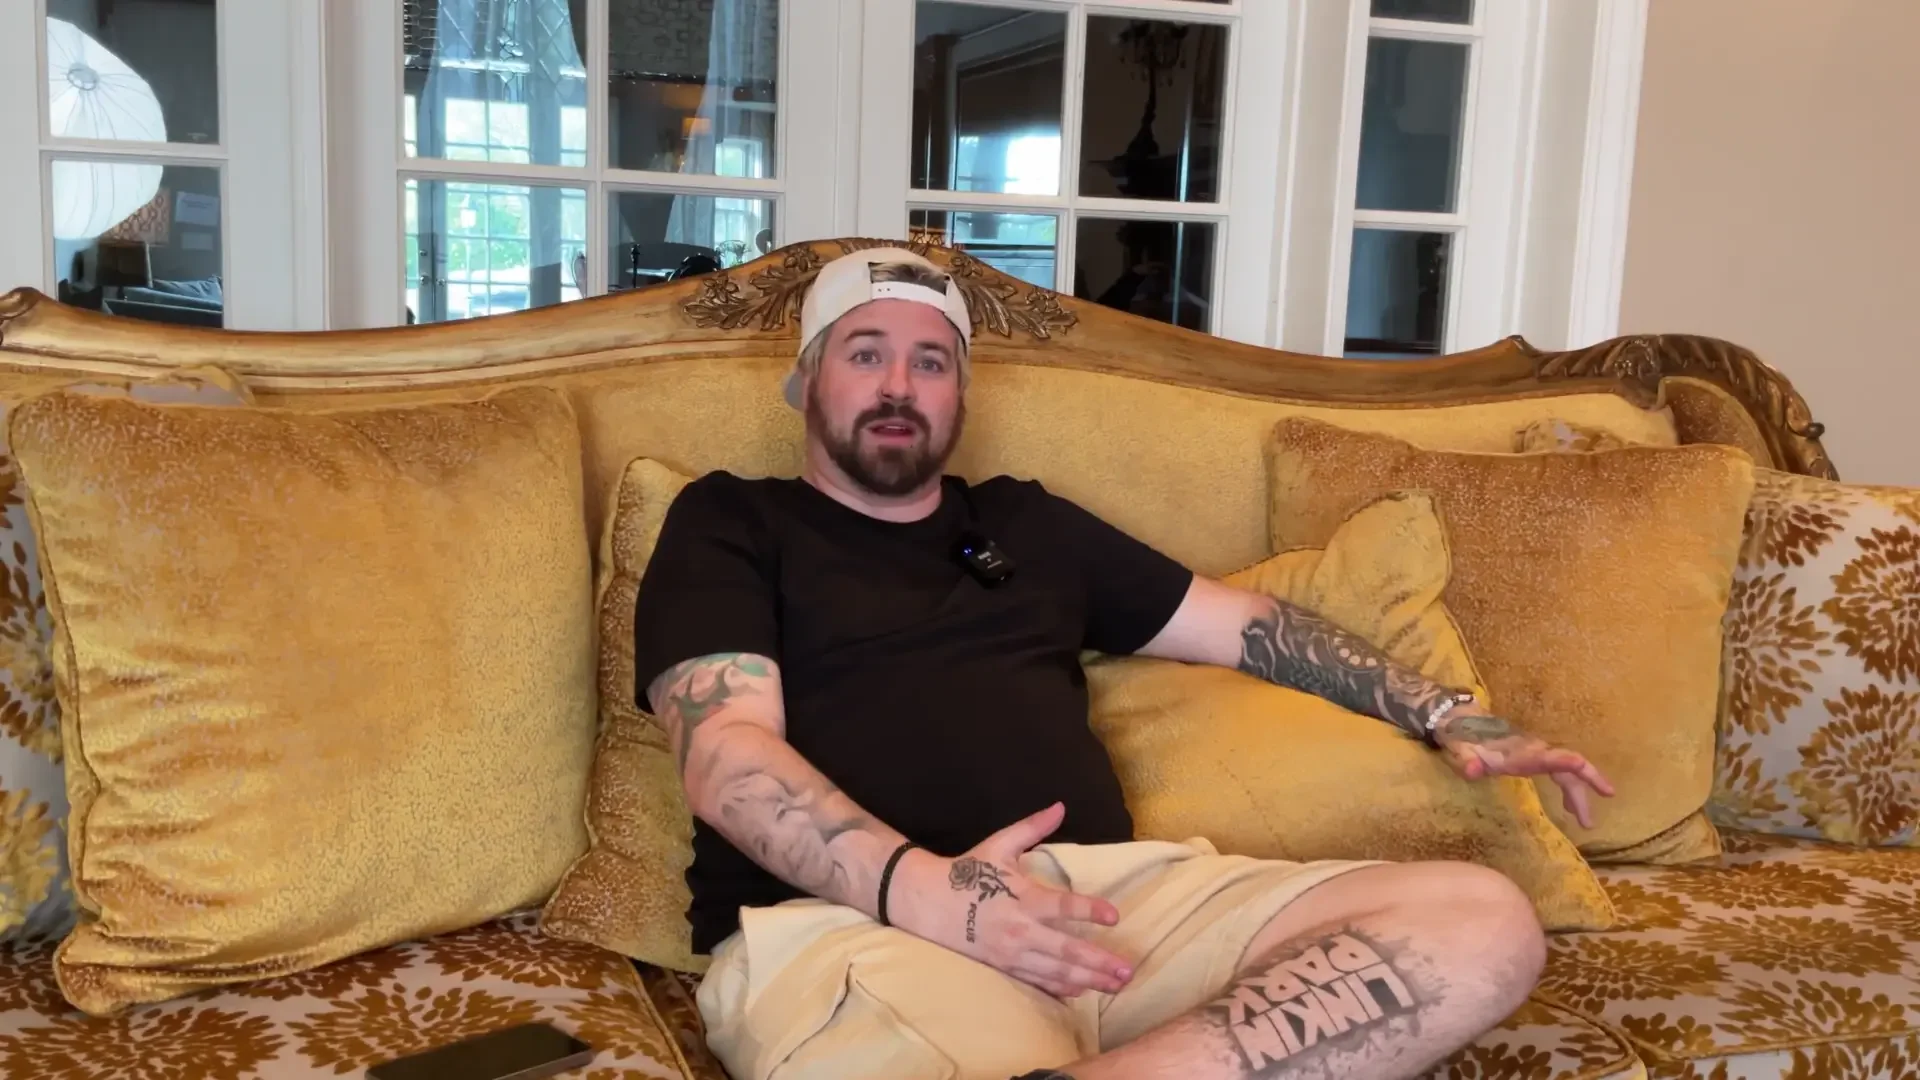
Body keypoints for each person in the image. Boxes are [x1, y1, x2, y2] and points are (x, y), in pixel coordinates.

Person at [630, 247, 1615, 1080]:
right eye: (866, 353)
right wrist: (929, 894)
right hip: (855, 921)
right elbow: (727, 758)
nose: (899, 385)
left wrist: (1446, 713)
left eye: (932, 362)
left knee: (1481, 924)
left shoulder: (1024, 522)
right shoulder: (732, 522)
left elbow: (1251, 627)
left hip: (1115, 905)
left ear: (961, 393)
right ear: (807, 380)